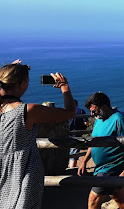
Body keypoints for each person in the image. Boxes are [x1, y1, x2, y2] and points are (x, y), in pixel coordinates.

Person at [0, 62, 75, 209]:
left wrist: (7, 71)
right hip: (23, 170)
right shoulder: (28, 111)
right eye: (27, 81)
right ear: (21, 84)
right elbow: (69, 113)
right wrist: (64, 86)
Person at [79, 92, 124, 209]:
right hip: (100, 167)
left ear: (104, 106)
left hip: (112, 167)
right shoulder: (99, 119)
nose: (92, 114)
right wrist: (84, 161)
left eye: (94, 110)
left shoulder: (120, 119)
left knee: (93, 200)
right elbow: (94, 142)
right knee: (118, 196)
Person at [69, 99, 89, 168]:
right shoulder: (80, 111)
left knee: (69, 153)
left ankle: (70, 167)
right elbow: (86, 123)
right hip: (77, 134)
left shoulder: (66, 111)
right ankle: (72, 169)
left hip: (66, 135)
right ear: (76, 104)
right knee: (74, 155)